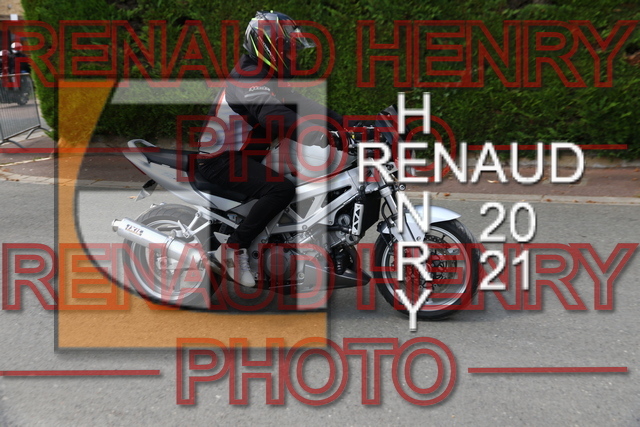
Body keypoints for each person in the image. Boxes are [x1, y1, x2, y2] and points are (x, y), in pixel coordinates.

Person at [197, 10, 345, 287]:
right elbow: (273, 116)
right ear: (268, 46)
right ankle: (233, 249)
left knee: (307, 178)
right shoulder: (248, 76)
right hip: (221, 160)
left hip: (250, 156)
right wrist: (318, 135)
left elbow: (301, 104)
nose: (293, 54)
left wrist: (346, 124)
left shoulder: (268, 75)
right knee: (280, 189)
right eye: (288, 48)